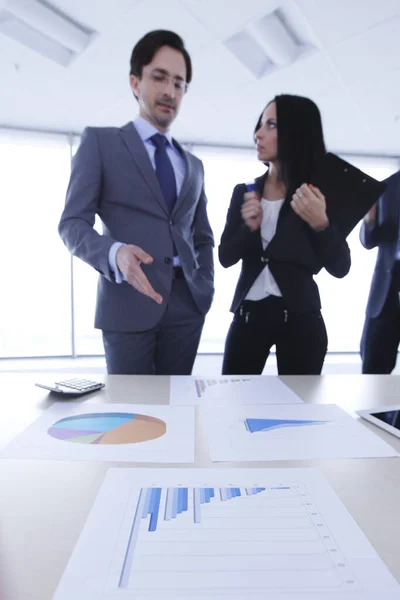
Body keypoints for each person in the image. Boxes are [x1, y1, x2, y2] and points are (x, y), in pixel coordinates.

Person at [59, 30, 214, 374]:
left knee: (179, 409)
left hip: (187, 306)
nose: (169, 91)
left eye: (179, 83)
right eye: (159, 77)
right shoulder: (100, 143)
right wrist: (114, 254)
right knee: (132, 418)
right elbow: (71, 225)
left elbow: (202, 236)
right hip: (127, 302)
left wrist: (205, 285)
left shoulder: (194, 166)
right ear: (135, 82)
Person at [219, 94, 351, 375]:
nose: (258, 134)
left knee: (299, 412)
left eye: (270, 125)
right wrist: (248, 229)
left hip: (302, 319)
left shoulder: (316, 195)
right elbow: (225, 257)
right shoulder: (244, 192)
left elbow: (341, 267)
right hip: (248, 316)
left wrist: (321, 224)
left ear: (296, 132)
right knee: (232, 402)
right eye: (260, 125)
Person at [360, 170, 400, 373]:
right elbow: (368, 240)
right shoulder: (386, 186)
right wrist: (369, 219)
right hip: (388, 285)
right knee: (374, 367)